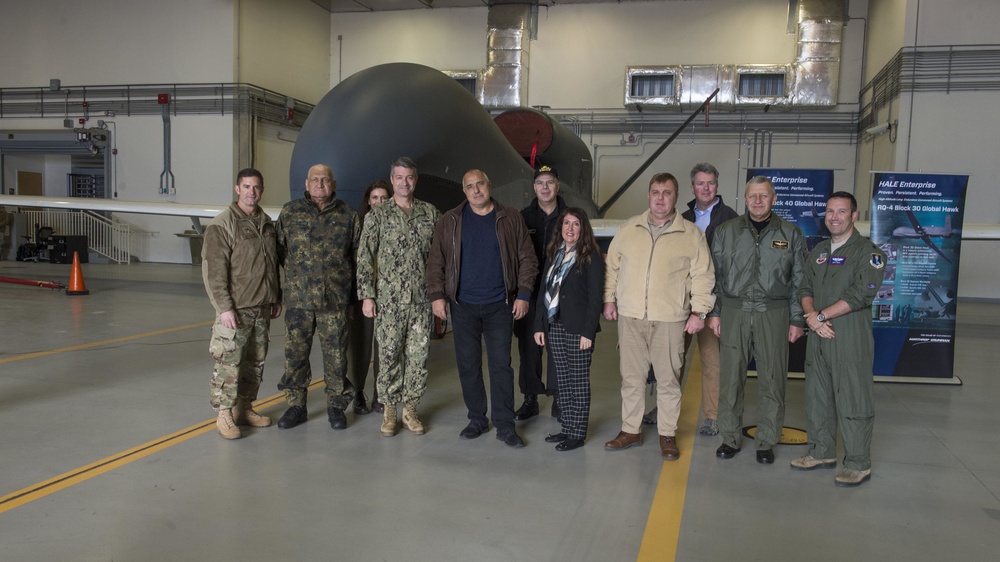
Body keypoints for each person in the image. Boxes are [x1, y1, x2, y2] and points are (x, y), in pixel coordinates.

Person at [602, 173, 715, 461]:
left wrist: (699, 311)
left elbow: (703, 276)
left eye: (666, 192)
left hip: (670, 319)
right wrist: (609, 299)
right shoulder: (630, 228)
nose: (660, 198)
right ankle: (631, 430)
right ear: (648, 195)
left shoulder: (690, 234)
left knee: (668, 381)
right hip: (631, 317)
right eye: (655, 192)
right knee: (631, 379)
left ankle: (667, 434)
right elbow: (613, 267)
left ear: (676, 197)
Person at [426, 169, 538, 448]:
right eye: (470, 186)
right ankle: (477, 419)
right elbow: (435, 261)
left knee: (501, 366)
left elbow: (528, 258)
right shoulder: (450, 220)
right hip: (462, 305)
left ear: (489, 185)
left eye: (480, 184)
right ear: (464, 192)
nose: (476, 190)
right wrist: (437, 296)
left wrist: (523, 295)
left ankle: (504, 424)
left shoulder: (510, 217)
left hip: (500, 305)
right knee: (468, 365)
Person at [707, 176, 806, 464]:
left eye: (764, 196)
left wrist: (797, 319)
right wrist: (715, 313)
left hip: (773, 313)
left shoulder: (791, 234)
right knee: (731, 379)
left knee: (773, 380)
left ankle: (766, 440)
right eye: (752, 196)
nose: (758, 201)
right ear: (745, 199)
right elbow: (715, 274)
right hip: (734, 310)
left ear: (774, 199)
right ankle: (729, 437)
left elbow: (800, 281)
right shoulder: (726, 232)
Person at [792, 191, 885, 487]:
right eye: (830, 211)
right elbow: (804, 287)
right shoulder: (819, 250)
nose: (834, 217)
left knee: (853, 397)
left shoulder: (869, 253)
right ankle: (822, 452)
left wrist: (820, 317)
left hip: (849, 336)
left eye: (841, 212)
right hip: (819, 334)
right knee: (817, 395)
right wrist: (812, 317)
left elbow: (860, 294)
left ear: (854, 216)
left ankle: (858, 463)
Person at [644, 163, 738, 432]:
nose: (705, 188)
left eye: (710, 183)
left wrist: (716, 306)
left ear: (716, 186)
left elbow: (733, 266)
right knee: (671, 360)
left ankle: (712, 415)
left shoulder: (731, 219)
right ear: (692, 187)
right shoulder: (680, 217)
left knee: (712, 361)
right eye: (700, 183)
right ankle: (663, 407)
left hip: (712, 303)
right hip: (679, 303)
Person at [357, 158, 440, 437]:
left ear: (415, 180)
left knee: (418, 358)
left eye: (409, 178)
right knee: (389, 357)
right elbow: (365, 258)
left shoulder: (430, 214)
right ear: (392, 180)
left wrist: (439, 295)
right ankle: (390, 410)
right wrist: (367, 296)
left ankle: (411, 409)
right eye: (399, 178)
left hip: (421, 302)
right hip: (389, 302)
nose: (405, 183)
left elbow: (440, 258)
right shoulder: (378, 216)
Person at [274, 164, 360, 431]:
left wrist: (354, 300)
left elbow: (357, 258)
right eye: (315, 179)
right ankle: (296, 405)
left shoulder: (348, 215)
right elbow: (278, 251)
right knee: (295, 356)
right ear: (306, 183)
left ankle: (336, 406)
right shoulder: (290, 212)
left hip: (335, 302)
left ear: (333, 184)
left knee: (336, 357)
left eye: (325, 180)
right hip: (298, 301)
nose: (320, 184)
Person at [201, 168, 282, 440]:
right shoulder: (222, 225)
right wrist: (224, 307)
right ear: (237, 189)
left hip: (261, 307)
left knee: (254, 362)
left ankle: (244, 408)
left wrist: (276, 296)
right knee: (228, 363)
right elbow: (214, 272)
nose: (252, 192)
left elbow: (271, 264)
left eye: (257, 187)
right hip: (235, 310)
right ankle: (224, 414)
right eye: (247, 187)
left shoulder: (265, 222)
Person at [532, 208, 604, 451]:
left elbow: (595, 299)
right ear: (560, 227)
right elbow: (544, 290)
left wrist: (588, 332)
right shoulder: (555, 253)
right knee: (562, 381)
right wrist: (540, 325)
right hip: (555, 326)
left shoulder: (590, 257)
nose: (570, 229)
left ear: (583, 229)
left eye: (575, 224)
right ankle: (567, 428)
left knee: (578, 382)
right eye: (566, 223)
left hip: (578, 329)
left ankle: (577, 433)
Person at [514, 165, 567, 422]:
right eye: (540, 183)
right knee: (529, 349)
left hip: (561, 295)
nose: (545, 187)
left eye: (550, 182)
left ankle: (559, 398)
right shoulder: (523, 218)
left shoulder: (570, 217)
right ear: (534, 188)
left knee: (558, 347)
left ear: (557, 186)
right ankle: (530, 398)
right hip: (532, 295)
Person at [348, 180, 392, 415]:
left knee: (384, 349)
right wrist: (351, 301)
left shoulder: (395, 225)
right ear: (368, 201)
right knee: (360, 349)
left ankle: (380, 394)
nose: (379, 202)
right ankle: (357, 393)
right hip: (360, 295)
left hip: (388, 297)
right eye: (375, 198)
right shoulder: (358, 226)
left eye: (384, 198)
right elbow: (348, 265)